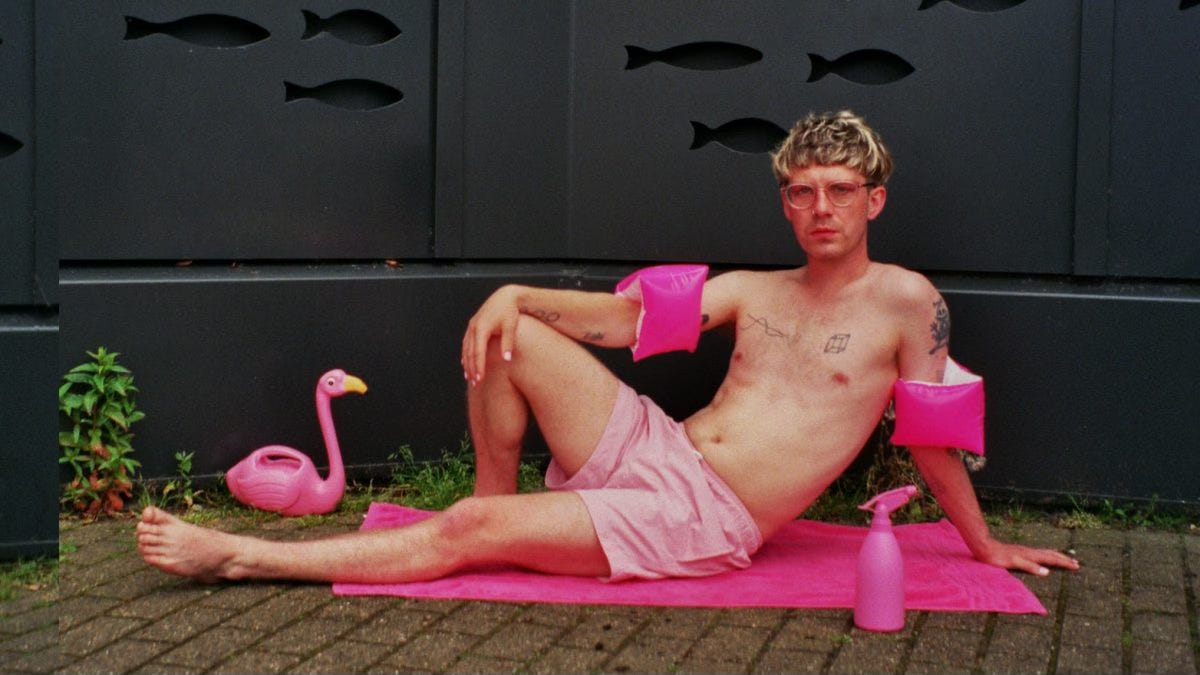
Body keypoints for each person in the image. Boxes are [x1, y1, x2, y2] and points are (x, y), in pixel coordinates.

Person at [137, 110, 1079, 584]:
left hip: (706, 521)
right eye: (801, 191)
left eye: (838, 190)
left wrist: (984, 544)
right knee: (510, 337)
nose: (819, 208)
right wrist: (513, 293)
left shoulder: (910, 303)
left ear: (874, 198)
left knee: (462, 531)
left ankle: (242, 558)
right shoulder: (755, 290)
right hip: (653, 449)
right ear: (785, 199)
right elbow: (629, 324)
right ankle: (496, 508)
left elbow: (928, 435)